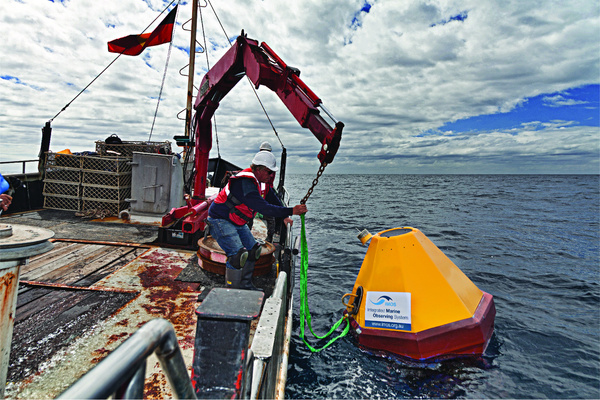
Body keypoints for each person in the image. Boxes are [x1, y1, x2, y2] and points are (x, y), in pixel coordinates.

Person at [207, 151, 307, 290]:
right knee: (237, 255)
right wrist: (291, 210)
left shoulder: (262, 183)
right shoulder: (245, 183)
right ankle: (232, 291)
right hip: (220, 220)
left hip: (236, 221)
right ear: (258, 169)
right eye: (268, 172)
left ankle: (246, 284)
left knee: (253, 250)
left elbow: (275, 201)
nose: (271, 175)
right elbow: (264, 208)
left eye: (272, 172)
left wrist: (285, 215)